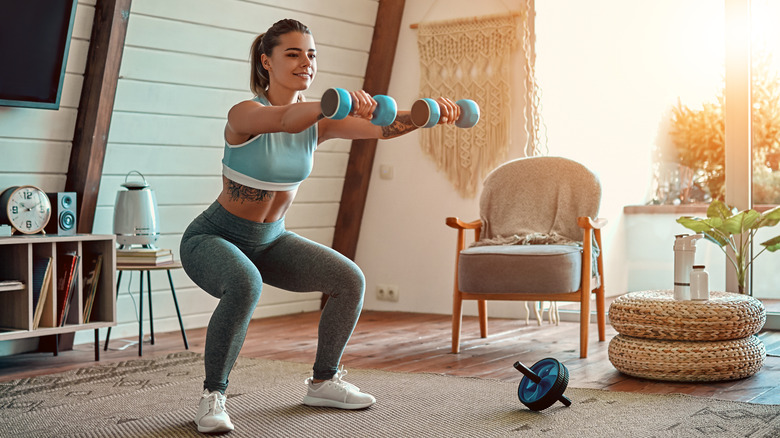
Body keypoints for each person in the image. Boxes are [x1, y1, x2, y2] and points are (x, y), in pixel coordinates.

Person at [179, 18, 460, 434]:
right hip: (213, 237)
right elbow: (287, 119)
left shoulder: (322, 120)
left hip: (271, 241)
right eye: (292, 53)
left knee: (348, 279)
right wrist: (336, 102)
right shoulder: (244, 113)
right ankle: (212, 398)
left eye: (311, 54)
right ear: (266, 62)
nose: (305, 62)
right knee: (245, 284)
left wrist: (426, 114)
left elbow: (383, 127)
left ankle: (324, 381)